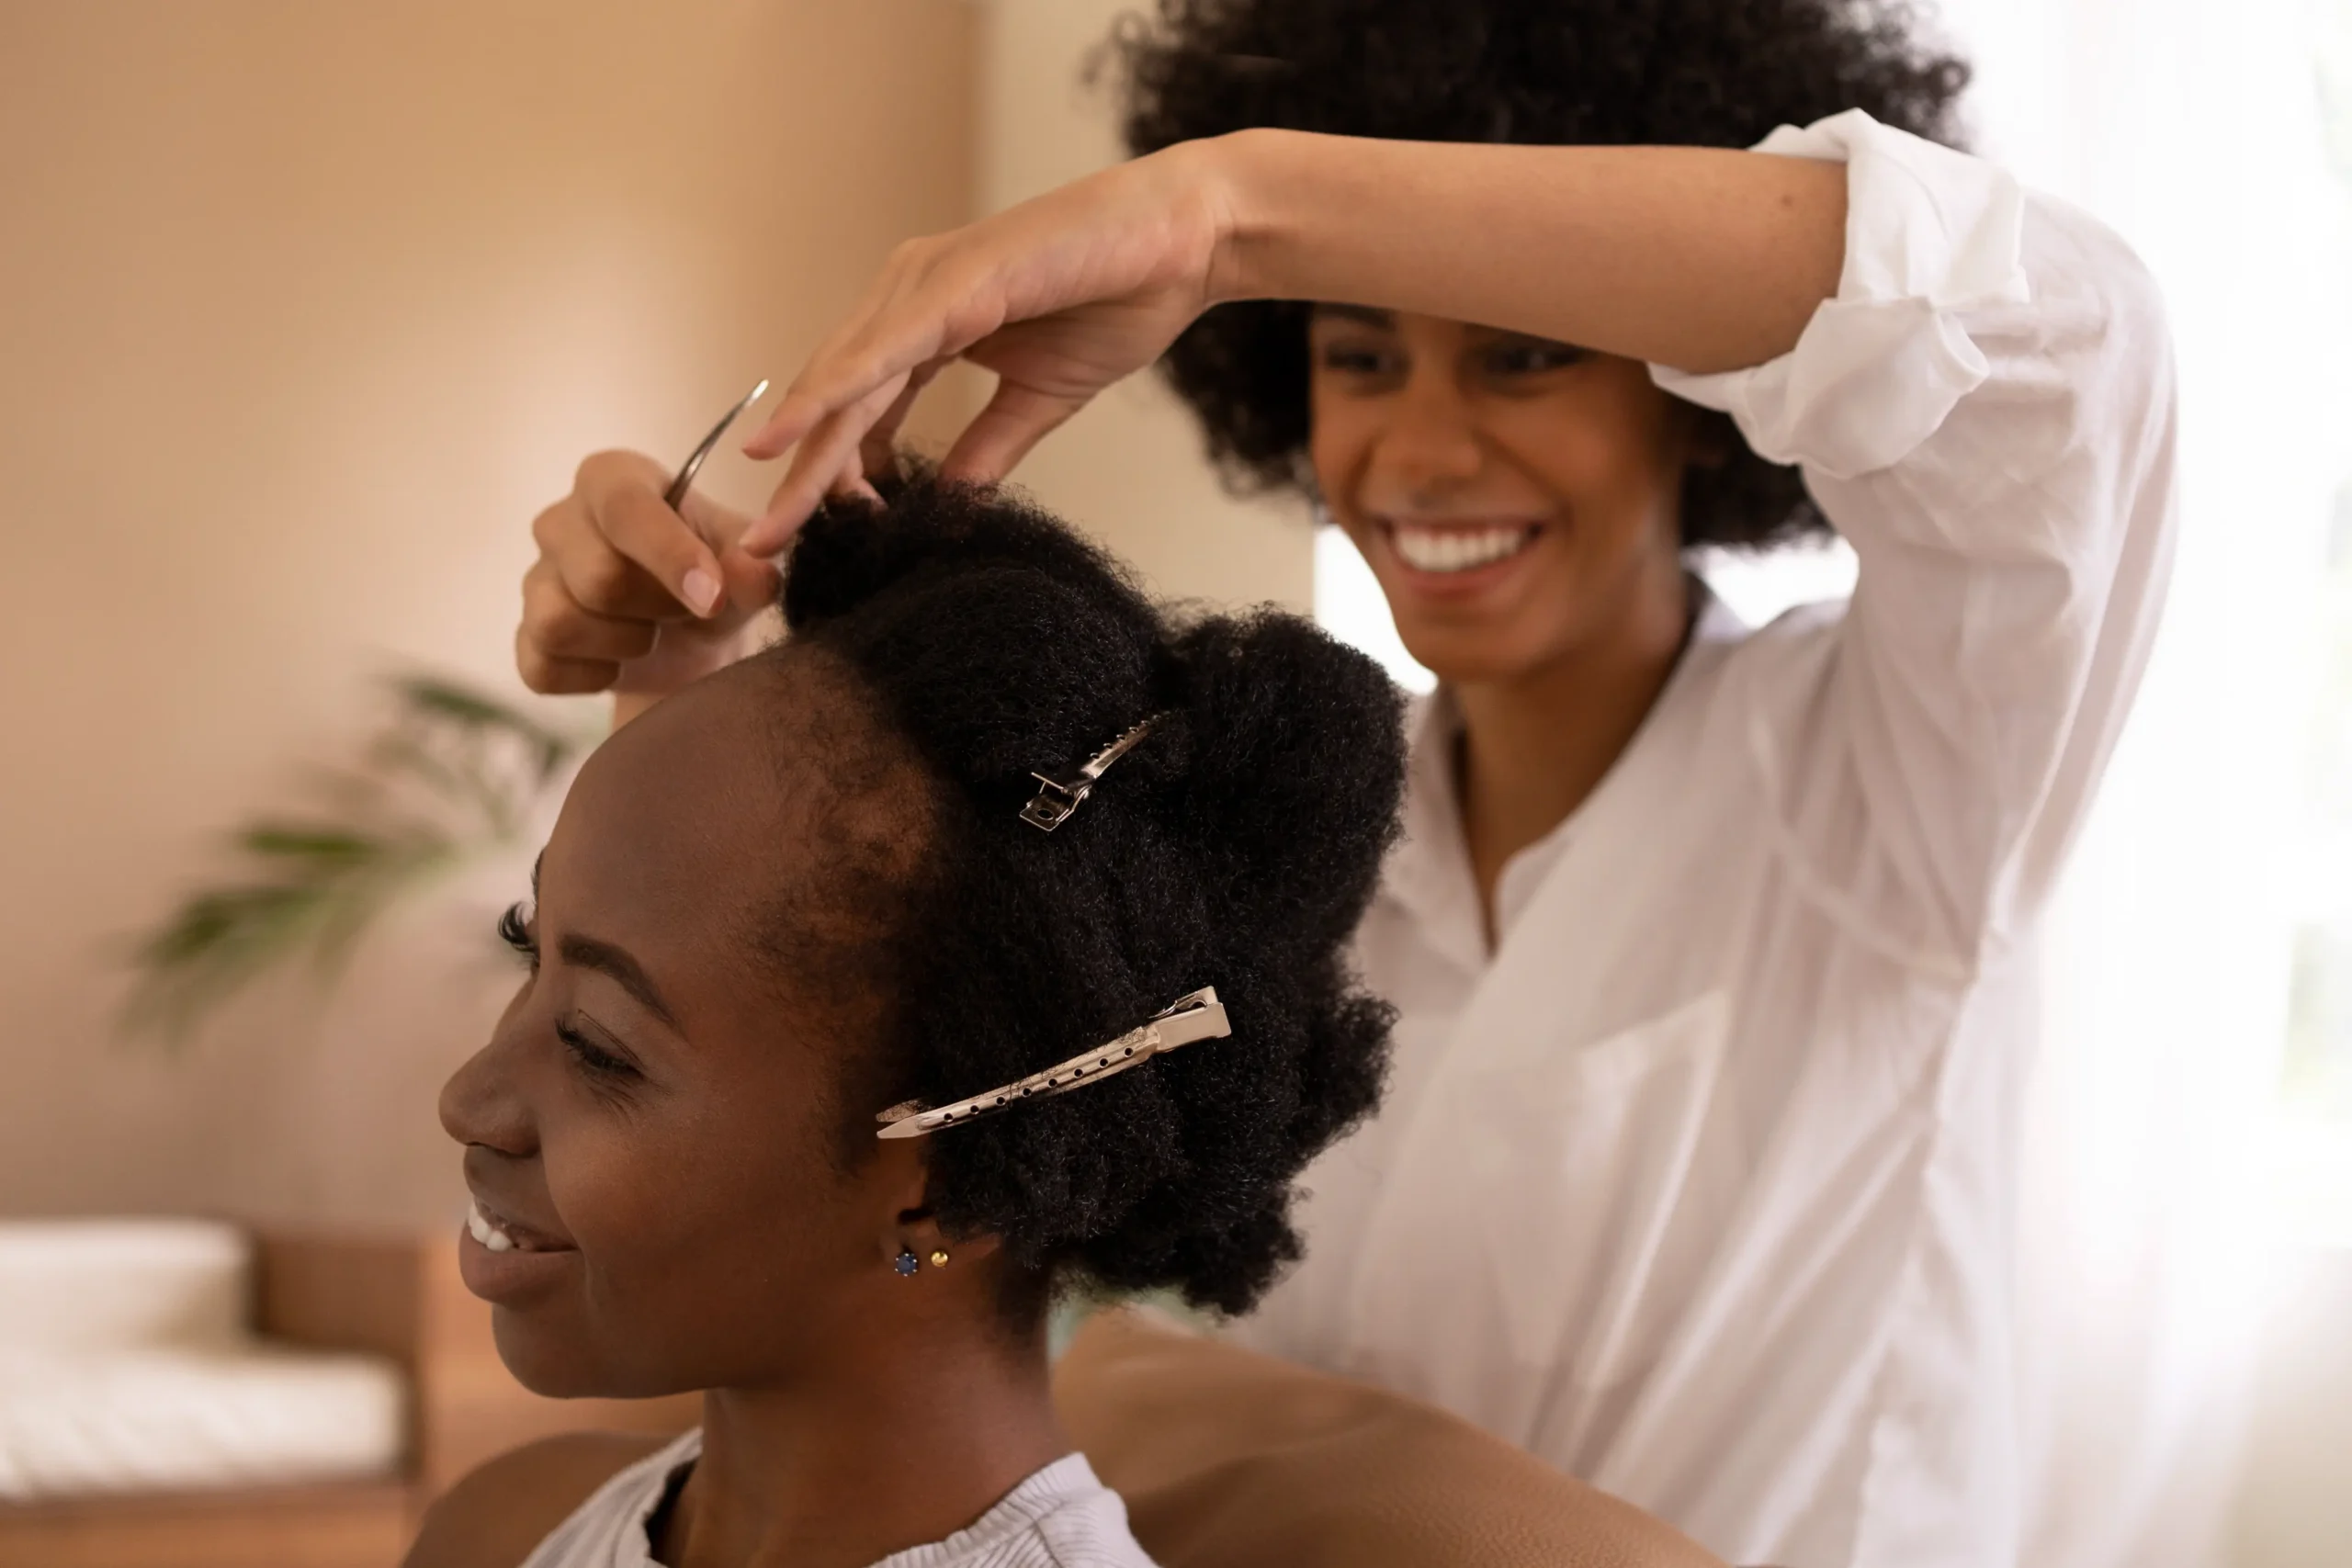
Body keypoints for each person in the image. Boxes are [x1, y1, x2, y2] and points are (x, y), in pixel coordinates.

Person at [510, 2, 2177, 1562]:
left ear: (1692, 391)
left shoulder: (1906, 785)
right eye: (1363, 358)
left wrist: (1233, 217)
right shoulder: (1240, 842)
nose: (1423, 448)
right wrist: (682, 695)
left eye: (1527, 357)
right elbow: (861, 1175)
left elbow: (2054, 344)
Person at [405, 474, 1415, 1568]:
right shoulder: (502, 1532)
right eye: (528, 942)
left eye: (597, 1050)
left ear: (938, 1188)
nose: (468, 1098)